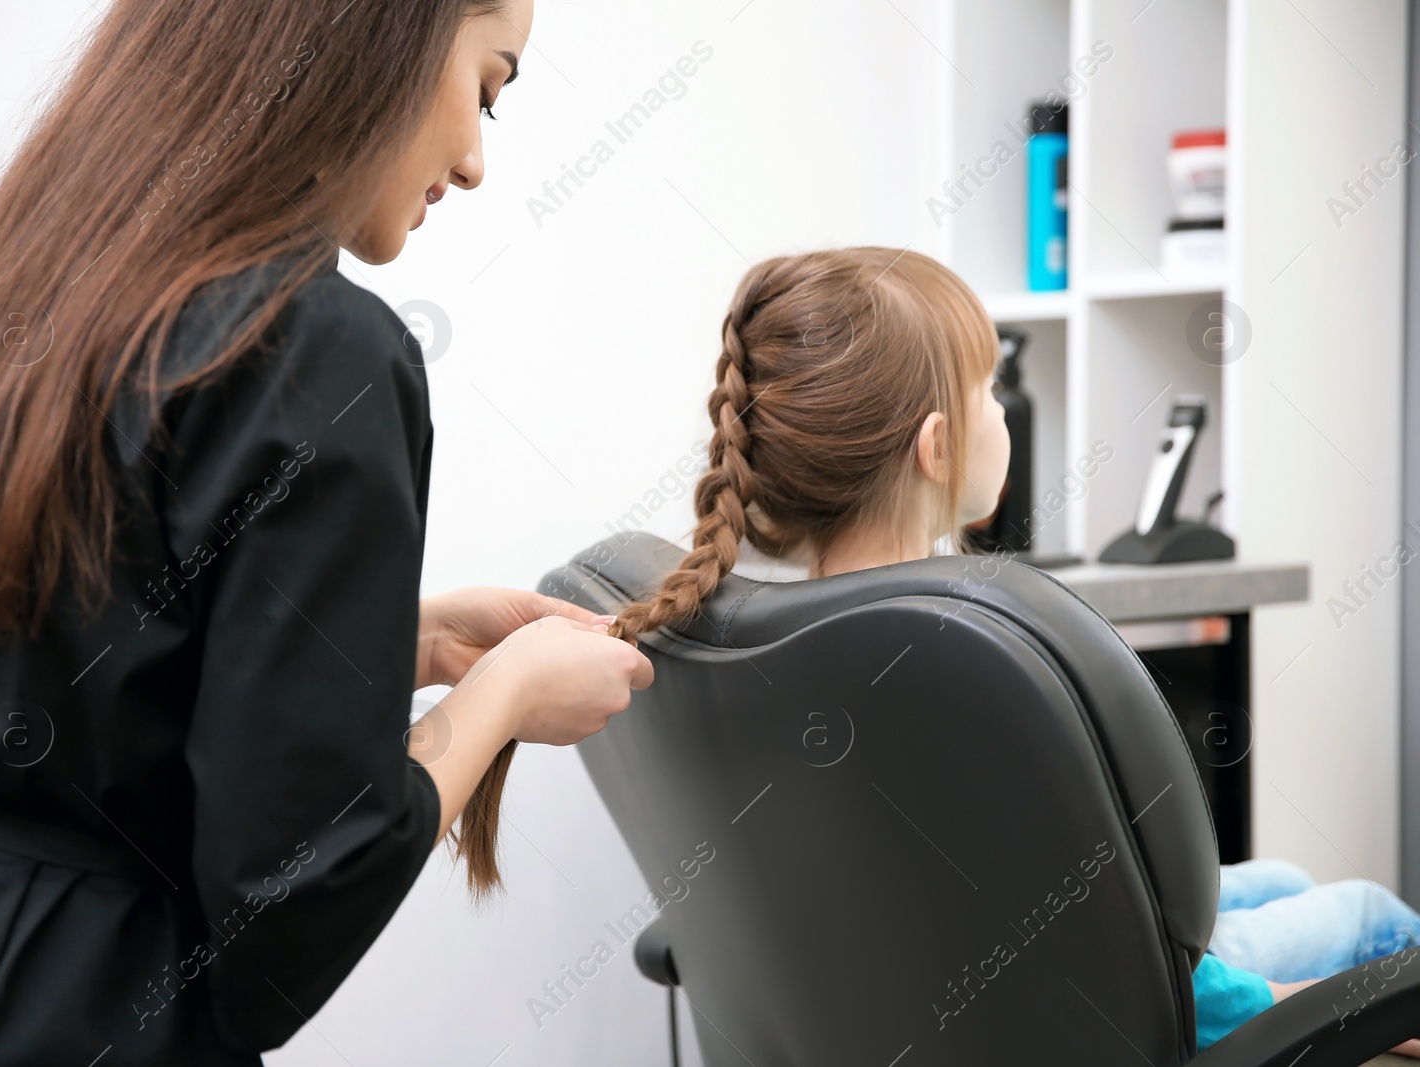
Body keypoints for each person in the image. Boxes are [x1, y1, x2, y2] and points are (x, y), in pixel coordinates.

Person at [0, 1, 652, 1064]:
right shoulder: (320, 350)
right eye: (486, 89)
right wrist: (502, 698)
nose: (477, 160)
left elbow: (60, 679)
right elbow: (290, 909)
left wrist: (398, 649)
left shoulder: (39, 288)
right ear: (381, 37)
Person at [600, 245, 1420, 1054]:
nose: (1003, 410)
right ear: (938, 445)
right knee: (1369, 916)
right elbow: (1181, 1002)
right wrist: (1312, 1006)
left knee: (1281, 882)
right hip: (1097, 1016)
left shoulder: (771, 645)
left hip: (913, 996)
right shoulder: (959, 667)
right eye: (988, 389)